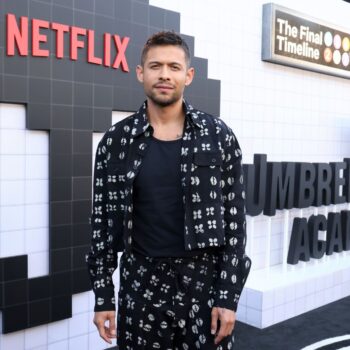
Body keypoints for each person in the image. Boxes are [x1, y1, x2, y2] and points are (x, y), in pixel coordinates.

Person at [86, 31, 251, 349]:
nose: (164, 74)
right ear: (140, 73)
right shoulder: (116, 141)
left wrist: (228, 297)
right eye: (155, 66)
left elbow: (235, 222)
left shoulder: (217, 135)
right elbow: (102, 224)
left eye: (174, 67)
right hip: (140, 286)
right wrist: (103, 296)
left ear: (188, 75)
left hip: (203, 284)